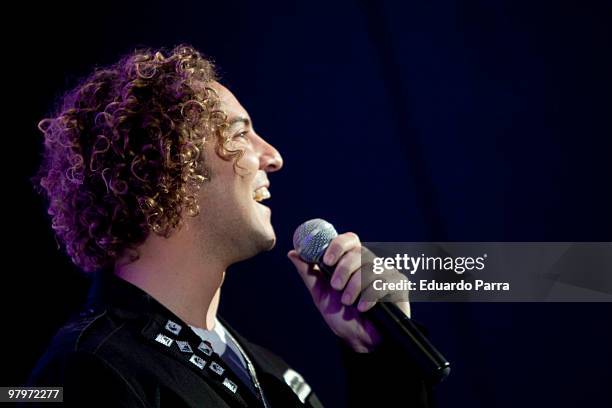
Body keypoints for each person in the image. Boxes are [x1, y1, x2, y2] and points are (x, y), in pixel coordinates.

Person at [28, 45, 432, 407]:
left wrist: (379, 360)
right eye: (241, 133)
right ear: (169, 165)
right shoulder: (90, 369)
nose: (273, 156)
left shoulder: (270, 372)